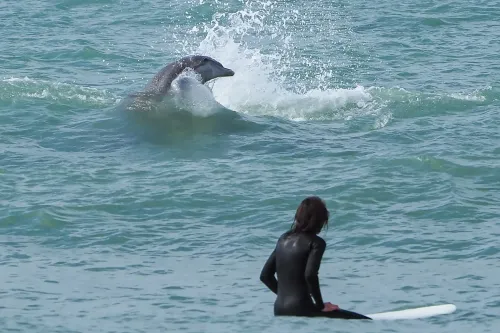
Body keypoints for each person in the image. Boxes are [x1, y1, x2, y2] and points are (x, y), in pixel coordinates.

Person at [259, 196, 371, 320]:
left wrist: (284, 296)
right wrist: (320, 305)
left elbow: (265, 276)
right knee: (365, 321)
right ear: (320, 220)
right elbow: (310, 275)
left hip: (280, 309)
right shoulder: (316, 243)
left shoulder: (283, 239)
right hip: (303, 309)